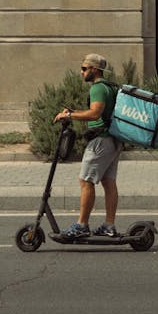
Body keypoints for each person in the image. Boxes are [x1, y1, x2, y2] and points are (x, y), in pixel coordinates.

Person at [54, 53, 122, 239]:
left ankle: (81, 225)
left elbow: (94, 114)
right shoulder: (109, 87)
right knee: (109, 183)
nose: (81, 72)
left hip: (101, 141)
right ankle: (109, 225)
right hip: (112, 141)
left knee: (86, 181)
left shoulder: (98, 88)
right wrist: (74, 112)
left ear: (94, 69)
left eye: (84, 68)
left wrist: (68, 116)